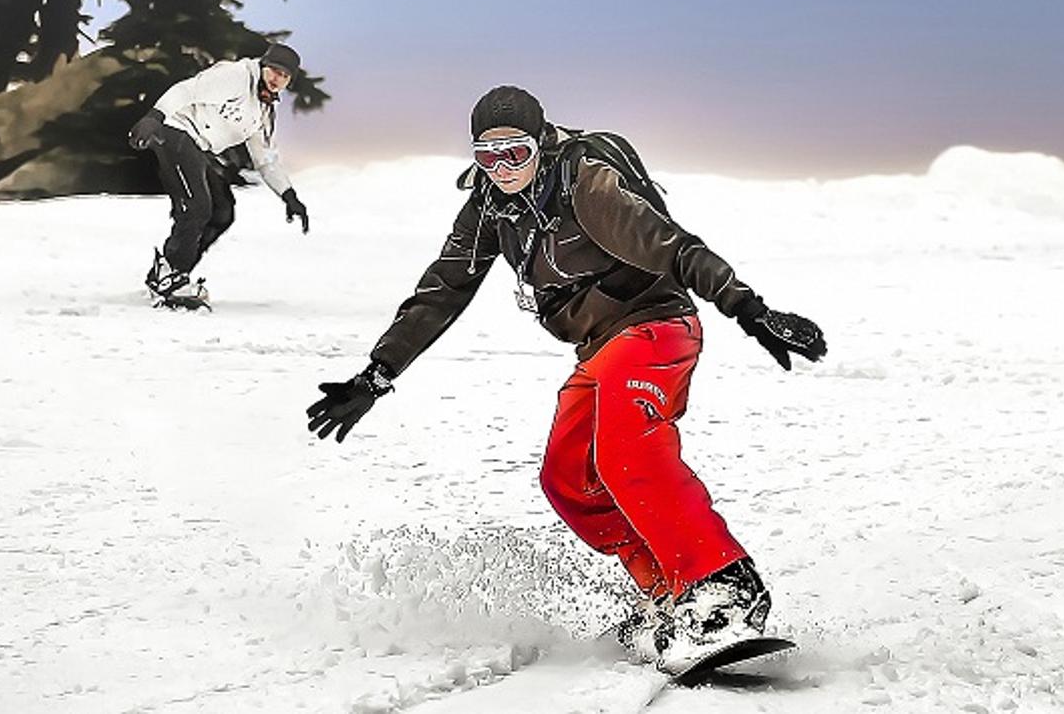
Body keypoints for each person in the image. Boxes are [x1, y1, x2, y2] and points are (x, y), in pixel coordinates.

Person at [303, 85, 828, 673]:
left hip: (655, 325)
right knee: (568, 476)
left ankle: (722, 586)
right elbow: (442, 290)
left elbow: (670, 246)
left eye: (515, 152)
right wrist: (377, 374)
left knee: (627, 451)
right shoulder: (490, 209)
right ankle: (670, 592)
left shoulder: (584, 181)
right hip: (599, 348)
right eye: (487, 155)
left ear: (542, 142)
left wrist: (750, 310)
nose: (502, 168)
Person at [128, 43, 310, 307]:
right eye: (273, 70)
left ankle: (171, 271)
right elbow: (187, 90)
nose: (276, 79)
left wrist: (289, 195)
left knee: (222, 211)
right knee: (198, 206)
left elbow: (266, 160)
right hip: (175, 130)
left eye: (284, 76)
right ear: (263, 66)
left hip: (199, 146)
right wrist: (154, 117)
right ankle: (171, 277)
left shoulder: (264, 111)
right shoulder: (236, 77)